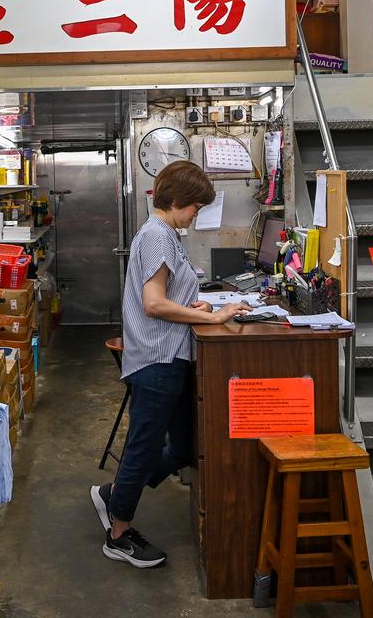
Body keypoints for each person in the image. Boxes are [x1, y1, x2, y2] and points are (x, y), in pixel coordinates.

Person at [90, 160, 252, 568]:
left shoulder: (164, 234)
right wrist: (212, 316)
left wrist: (191, 305)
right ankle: (119, 534)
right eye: (195, 207)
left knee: (181, 447)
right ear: (177, 201)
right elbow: (154, 303)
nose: (196, 214)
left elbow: (167, 297)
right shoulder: (158, 238)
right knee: (144, 448)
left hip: (170, 355)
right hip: (158, 359)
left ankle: (114, 494)